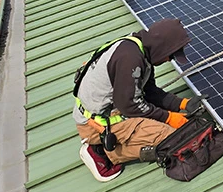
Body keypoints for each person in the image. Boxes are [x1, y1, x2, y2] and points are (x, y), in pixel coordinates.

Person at [73, 18, 203, 182]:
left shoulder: (139, 49)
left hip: (114, 106)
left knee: (171, 126)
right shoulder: (131, 59)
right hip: (96, 123)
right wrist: (170, 118)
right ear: (161, 48)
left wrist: (182, 104)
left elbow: (150, 93)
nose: (170, 60)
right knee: (171, 138)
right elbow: (130, 105)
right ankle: (101, 151)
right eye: (171, 55)